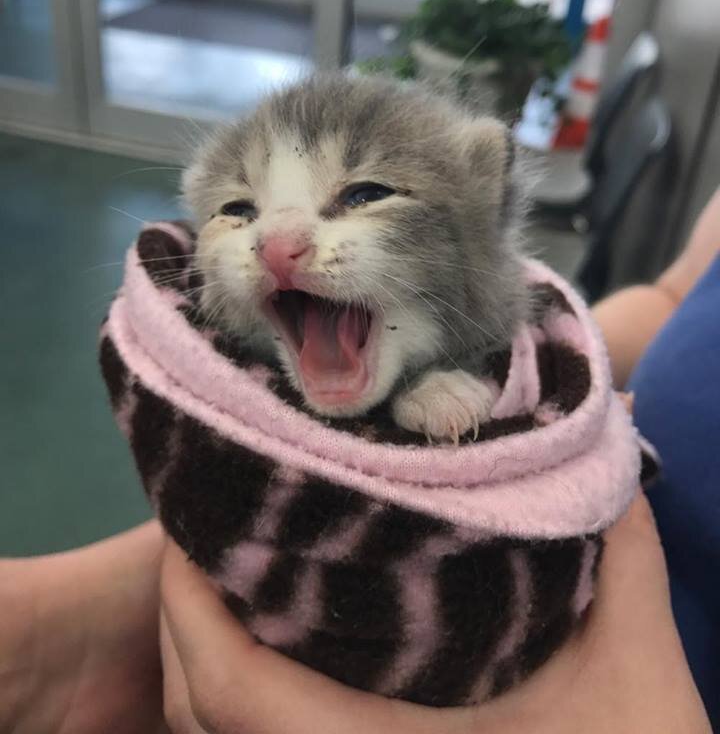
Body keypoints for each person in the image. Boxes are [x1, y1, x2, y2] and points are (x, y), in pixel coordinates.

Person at [2, 191, 718, 734]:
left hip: (578, 646)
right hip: (493, 533)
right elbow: (678, 296)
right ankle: (117, 616)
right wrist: (546, 393)